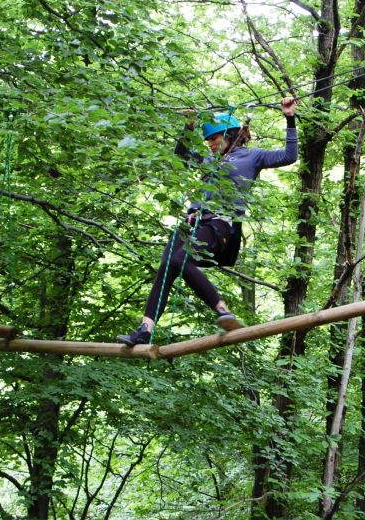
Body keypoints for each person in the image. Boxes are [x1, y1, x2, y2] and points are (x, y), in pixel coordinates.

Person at [117, 98, 298, 346]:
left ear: (229, 135)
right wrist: (189, 125)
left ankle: (222, 309)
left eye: (213, 139)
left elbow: (290, 155)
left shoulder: (252, 157)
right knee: (166, 267)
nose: (210, 145)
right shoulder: (211, 161)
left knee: (180, 261)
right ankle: (145, 329)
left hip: (219, 224)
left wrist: (289, 118)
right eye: (208, 141)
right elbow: (181, 154)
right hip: (191, 222)